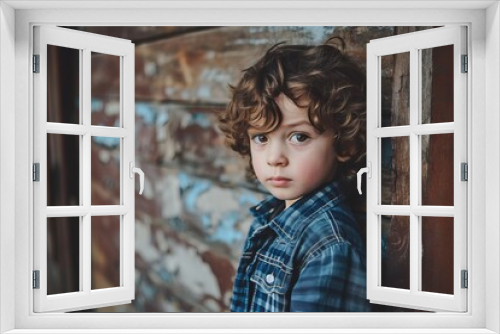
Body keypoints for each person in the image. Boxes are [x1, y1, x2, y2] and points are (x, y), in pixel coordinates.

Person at [218, 39, 371, 312]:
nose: (275, 157)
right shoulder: (271, 218)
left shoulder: (329, 246)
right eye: (261, 137)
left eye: (299, 137)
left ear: (344, 144)